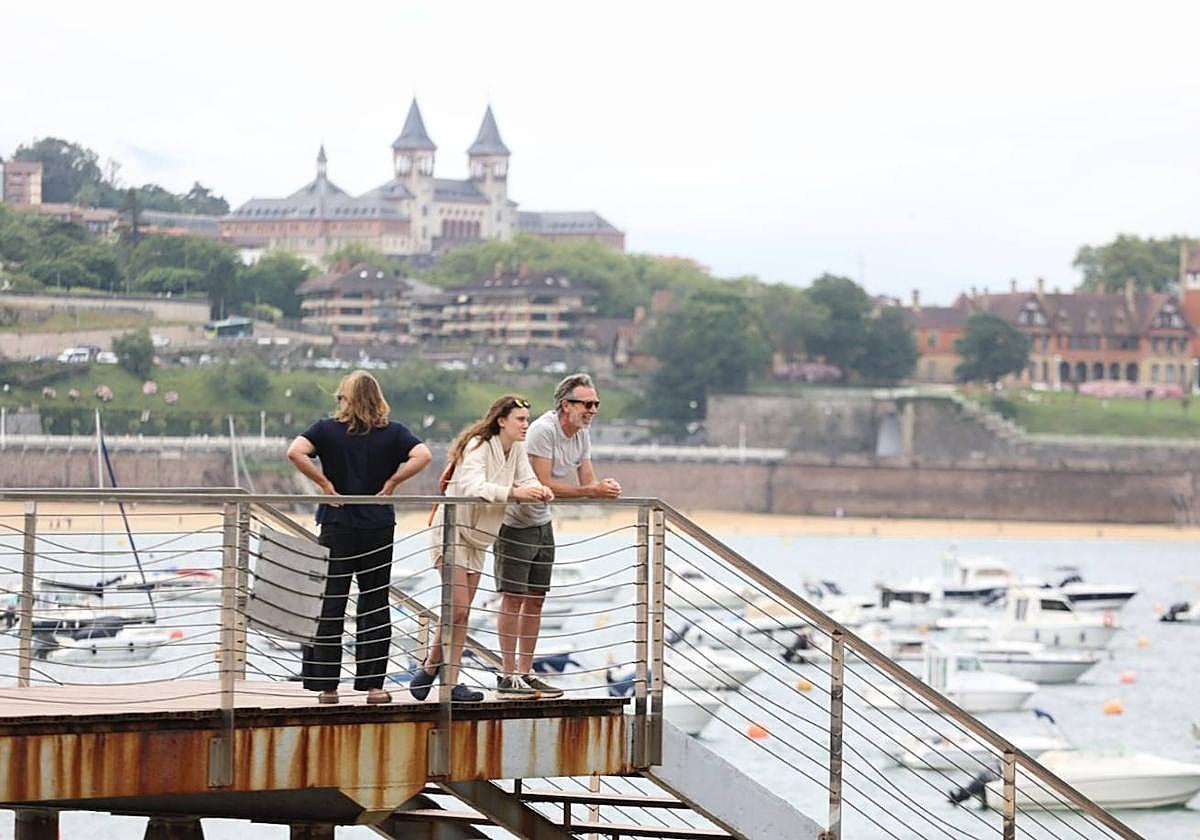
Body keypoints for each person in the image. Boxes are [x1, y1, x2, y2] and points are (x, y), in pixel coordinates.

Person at [286, 370, 432, 705]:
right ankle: (373, 686)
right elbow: (423, 456)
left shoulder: (326, 429)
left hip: (337, 522)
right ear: (378, 398)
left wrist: (324, 485)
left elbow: (295, 451)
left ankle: (327, 687)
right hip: (378, 523)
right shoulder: (393, 433)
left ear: (345, 398)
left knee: (331, 603)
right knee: (375, 603)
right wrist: (394, 482)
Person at [410, 394, 554, 702]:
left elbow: (527, 478)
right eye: (520, 419)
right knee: (458, 608)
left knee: (460, 613)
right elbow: (474, 487)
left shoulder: (515, 450)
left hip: (478, 539)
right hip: (452, 532)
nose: (526, 425)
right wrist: (515, 493)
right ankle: (450, 682)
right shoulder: (477, 446)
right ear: (501, 420)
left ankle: (431, 665)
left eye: (527, 419)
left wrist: (540, 490)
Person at [495, 373, 621, 698]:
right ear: (566, 404)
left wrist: (601, 488)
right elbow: (542, 484)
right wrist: (591, 490)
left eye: (596, 404)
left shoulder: (582, 434)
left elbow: (587, 482)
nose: (593, 410)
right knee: (513, 598)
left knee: (536, 600)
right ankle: (508, 675)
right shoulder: (542, 430)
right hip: (514, 522)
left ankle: (526, 671)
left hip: (542, 522)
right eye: (587, 404)